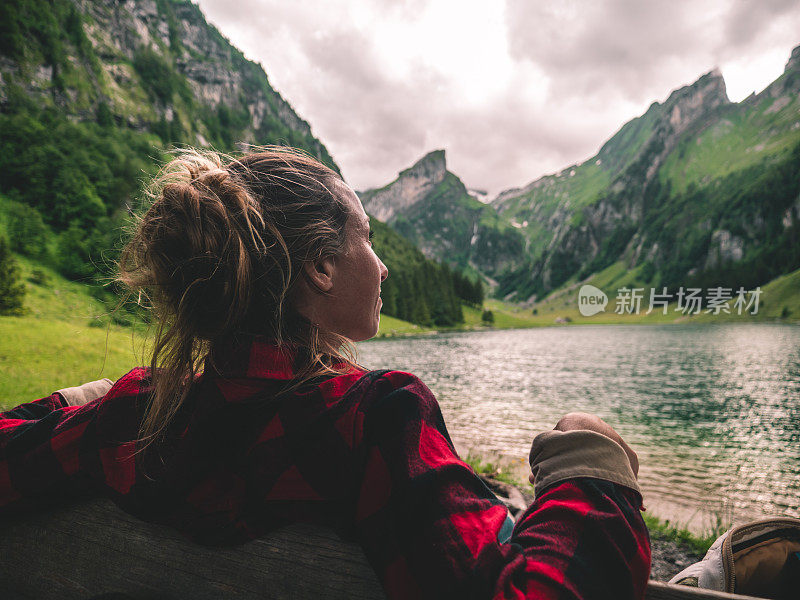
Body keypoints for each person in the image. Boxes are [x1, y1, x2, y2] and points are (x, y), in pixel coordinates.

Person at [0, 147, 650, 599]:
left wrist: (84, 398)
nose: (383, 265)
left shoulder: (136, 416)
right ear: (319, 267)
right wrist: (589, 462)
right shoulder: (375, 417)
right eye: (365, 237)